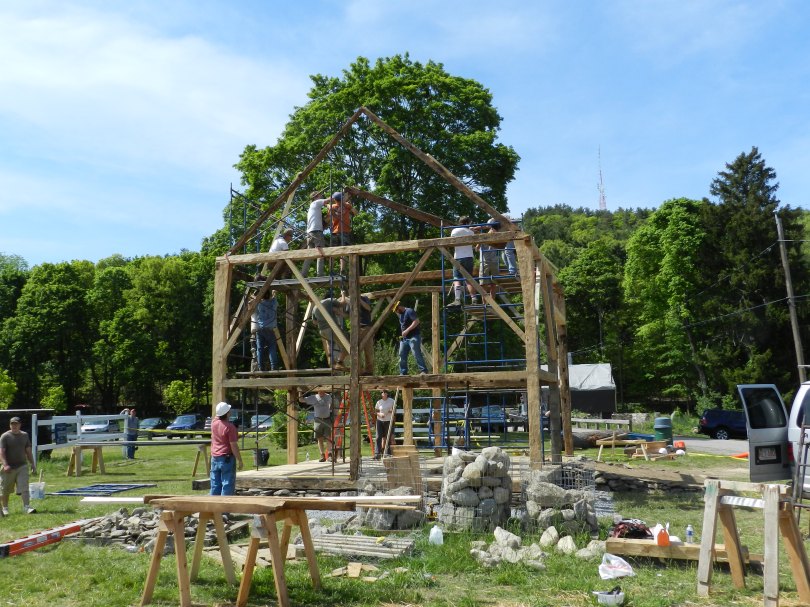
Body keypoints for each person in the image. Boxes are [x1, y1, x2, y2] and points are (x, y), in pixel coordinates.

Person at [0, 417, 37, 515]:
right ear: (10, 425)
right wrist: (5, 465)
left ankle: (27, 507)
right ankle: (5, 508)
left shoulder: (25, 435)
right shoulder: (5, 436)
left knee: (24, 487)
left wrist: (32, 464)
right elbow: (2, 452)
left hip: (22, 466)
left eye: (16, 424)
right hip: (8, 467)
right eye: (12, 424)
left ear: (20, 425)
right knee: (5, 489)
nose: (14, 426)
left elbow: (28, 451)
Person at [210, 401, 243, 496]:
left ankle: (213, 508)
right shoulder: (230, 427)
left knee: (215, 484)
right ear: (227, 413)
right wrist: (240, 460)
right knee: (227, 484)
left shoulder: (213, 423)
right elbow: (233, 445)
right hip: (226, 459)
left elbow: (222, 434)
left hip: (215, 458)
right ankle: (224, 510)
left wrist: (235, 435)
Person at [447, 215, 477, 308]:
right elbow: (473, 242)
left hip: (458, 257)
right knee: (469, 279)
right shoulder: (470, 232)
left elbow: (451, 243)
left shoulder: (454, 230)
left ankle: (457, 300)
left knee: (457, 278)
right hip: (469, 257)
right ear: (467, 223)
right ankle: (474, 299)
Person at [313, 296, 348, 370]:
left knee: (330, 344)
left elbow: (314, 322)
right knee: (346, 346)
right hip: (331, 328)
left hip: (322, 331)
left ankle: (332, 363)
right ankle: (339, 362)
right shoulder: (329, 300)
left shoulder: (315, 306)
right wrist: (343, 294)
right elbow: (342, 303)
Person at [299, 388, 334, 462]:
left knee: (328, 438)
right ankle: (322, 455)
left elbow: (331, 404)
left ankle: (330, 455)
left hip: (327, 419)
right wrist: (300, 391)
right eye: (319, 390)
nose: (321, 392)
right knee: (319, 438)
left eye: (323, 390)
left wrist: (330, 410)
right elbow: (301, 400)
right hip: (318, 420)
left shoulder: (328, 396)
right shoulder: (314, 397)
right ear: (317, 390)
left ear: (325, 390)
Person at [394, 302, 428, 375]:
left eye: (396, 310)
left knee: (416, 353)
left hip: (414, 337)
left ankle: (424, 371)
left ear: (399, 307)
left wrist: (407, 330)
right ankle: (403, 373)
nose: (396, 312)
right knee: (401, 354)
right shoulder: (401, 315)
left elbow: (416, 321)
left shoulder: (409, 311)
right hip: (404, 339)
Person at [327, 191, 358, 273]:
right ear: (342, 198)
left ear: (335, 199)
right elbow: (356, 213)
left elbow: (329, 217)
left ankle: (331, 270)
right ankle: (342, 270)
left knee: (332, 252)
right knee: (343, 252)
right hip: (344, 231)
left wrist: (328, 206)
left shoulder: (332, 206)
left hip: (335, 231)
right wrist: (347, 205)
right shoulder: (346, 205)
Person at [302, 191, 328, 277]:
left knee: (309, 254)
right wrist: (338, 195)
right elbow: (329, 199)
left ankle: (303, 274)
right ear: (316, 196)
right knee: (320, 252)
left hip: (309, 233)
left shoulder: (311, 207)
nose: (321, 196)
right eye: (320, 195)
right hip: (316, 231)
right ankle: (320, 274)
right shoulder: (316, 202)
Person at [255, 290, 281, 371]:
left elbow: (254, 299)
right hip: (270, 328)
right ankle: (274, 366)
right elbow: (274, 301)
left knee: (260, 348)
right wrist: (274, 294)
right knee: (272, 347)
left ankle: (260, 367)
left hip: (260, 328)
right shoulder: (273, 302)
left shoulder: (259, 303)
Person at [477, 218, 502, 301]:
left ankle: (491, 304)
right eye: (494, 229)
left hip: (490, 262)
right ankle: (486, 304)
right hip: (487, 262)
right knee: (486, 284)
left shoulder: (496, 236)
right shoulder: (485, 236)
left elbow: (477, 248)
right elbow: (477, 248)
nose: (495, 230)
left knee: (492, 283)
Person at [374, 389, 396, 459]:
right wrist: (380, 414)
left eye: (385, 392)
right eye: (382, 392)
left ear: (387, 393)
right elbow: (376, 412)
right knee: (378, 437)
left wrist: (391, 411)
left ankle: (387, 453)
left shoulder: (392, 401)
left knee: (388, 437)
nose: (383, 393)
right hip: (380, 420)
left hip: (388, 421)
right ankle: (377, 454)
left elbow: (394, 410)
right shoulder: (379, 402)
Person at [358, 293, 374, 374]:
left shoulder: (364, 298)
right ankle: (359, 371)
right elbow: (347, 314)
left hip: (366, 327)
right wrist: (340, 313)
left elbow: (368, 308)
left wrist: (359, 299)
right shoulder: (350, 300)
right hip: (355, 329)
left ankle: (369, 371)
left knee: (368, 350)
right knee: (356, 351)